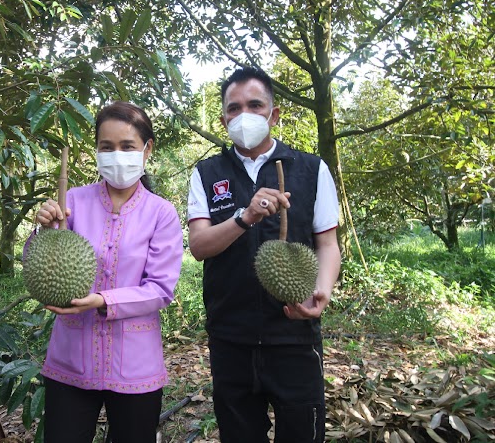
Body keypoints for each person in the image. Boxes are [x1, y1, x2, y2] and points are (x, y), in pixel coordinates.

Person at [187, 67, 341, 442]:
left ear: (273, 115)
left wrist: (321, 292)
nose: (244, 115)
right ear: (224, 119)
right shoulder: (207, 172)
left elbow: (327, 243)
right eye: (234, 108)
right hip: (231, 337)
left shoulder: (310, 169)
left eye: (255, 105)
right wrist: (245, 217)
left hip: (294, 336)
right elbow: (198, 246)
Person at [30, 101, 183, 443]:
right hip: (70, 362)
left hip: (135, 367)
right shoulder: (72, 201)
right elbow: (42, 263)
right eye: (106, 147)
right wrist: (44, 230)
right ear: (96, 151)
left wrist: (101, 300)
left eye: (127, 146)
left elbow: (160, 289)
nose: (117, 155)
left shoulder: (162, 213)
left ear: (147, 150)